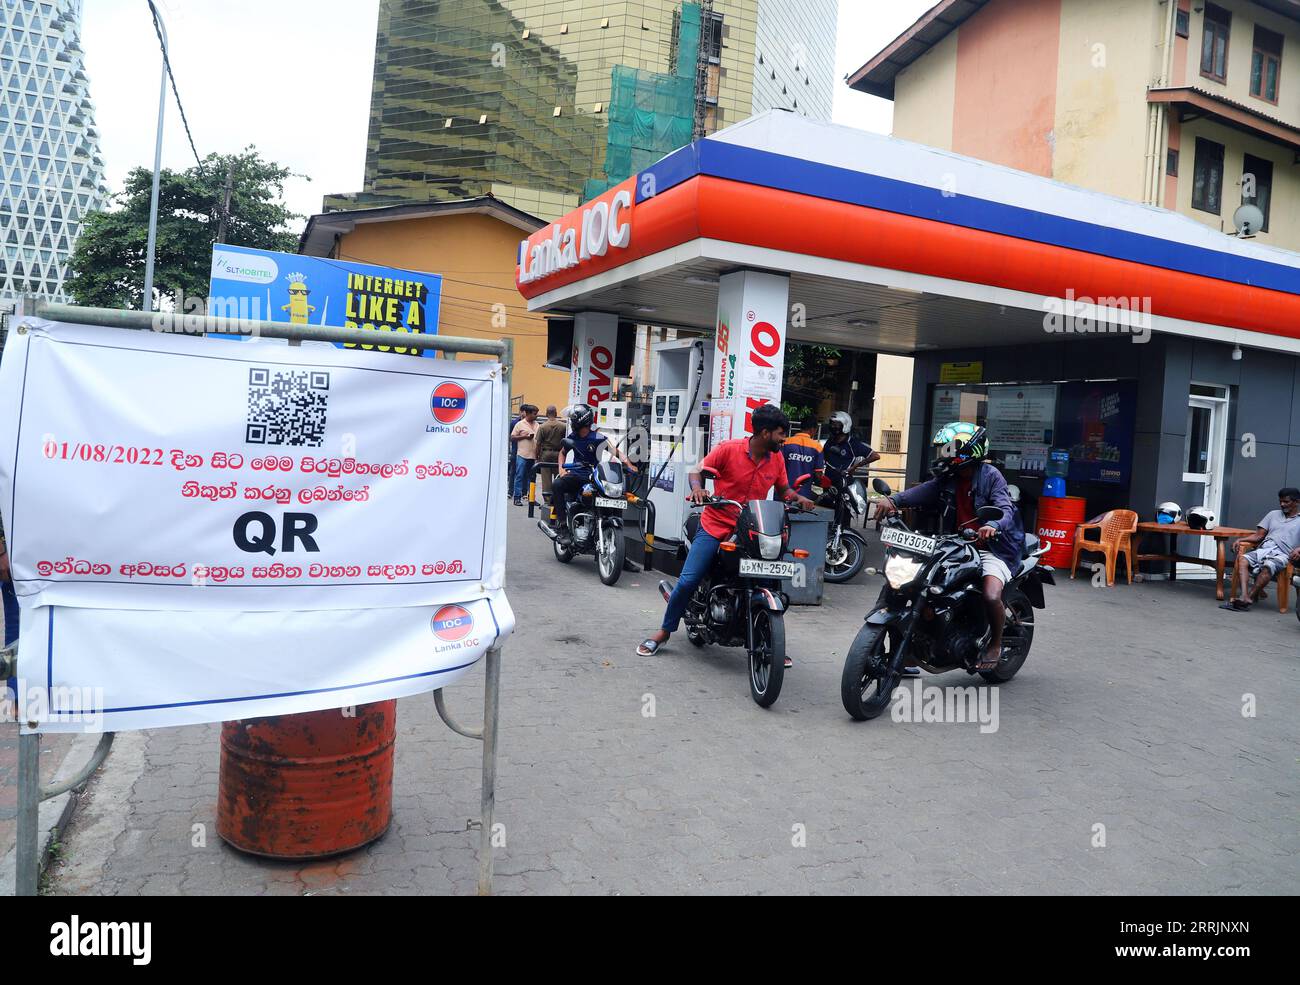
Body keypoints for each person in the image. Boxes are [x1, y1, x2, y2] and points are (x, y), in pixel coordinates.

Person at [637, 404, 816, 661]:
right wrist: (698, 489)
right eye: (780, 434)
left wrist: (798, 498)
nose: (783, 439)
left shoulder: (776, 458)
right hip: (716, 525)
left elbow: (784, 490)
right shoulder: (728, 449)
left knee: (768, 580)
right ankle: (664, 631)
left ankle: (769, 642)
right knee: (688, 580)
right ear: (765, 433)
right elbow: (696, 471)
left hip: (752, 530)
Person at [873, 422, 1024, 672]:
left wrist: (993, 525)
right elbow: (924, 491)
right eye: (942, 449)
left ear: (967, 452)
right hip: (959, 542)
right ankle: (910, 649)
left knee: (990, 594)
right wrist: (893, 500)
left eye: (948, 449)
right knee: (918, 581)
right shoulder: (948, 478)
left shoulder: (990, 476)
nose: (943, 453)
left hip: (995, 547)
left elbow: (1005, 508)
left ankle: (995, 644)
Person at [552, 404, 637, 543]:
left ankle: (618, 548)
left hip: (594, 476)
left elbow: (616, 452)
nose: (572, 422)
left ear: (580, 420)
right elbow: (562, 453)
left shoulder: (597, 438)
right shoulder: (572, 437)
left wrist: (629, 465)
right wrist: (561, 469)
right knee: (557, 484)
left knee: (616, 499)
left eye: (573, 419)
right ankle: (562, 527)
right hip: (577, 475)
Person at [1228, 487, 1300, 610]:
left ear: (1297, 502)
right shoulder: (1273, 514)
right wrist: (1241, 540)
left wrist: (1299, 549)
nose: (1282, 504)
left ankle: (1249, 597)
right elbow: (1259, 536)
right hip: (1264, 549)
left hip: (1283, 554)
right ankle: (1244, 595)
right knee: (1243, 559)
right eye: (1280, 501)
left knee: (1268, 565)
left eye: (1286, 502)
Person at [823, 410, 880, 486]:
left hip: (843, 482)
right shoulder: (830, 441)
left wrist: (854, 467)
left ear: (845, 425)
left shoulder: (853, 444)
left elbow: (875, 456)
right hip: (828, 481)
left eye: (836, 424)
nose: (832, 426)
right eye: (831, 423)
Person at [782, 418, 823, 499]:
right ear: (812, 430)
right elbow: (818, 475)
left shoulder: (786, 442)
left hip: (784, 492)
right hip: (804, 496)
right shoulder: (817, 447)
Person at [535, 405, 568, 503]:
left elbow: (538, 444)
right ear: (556, 413)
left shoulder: (542, 426)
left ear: (546, 413)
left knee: (546, 478)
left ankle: (547, 501)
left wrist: (537, 456)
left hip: (546, 453)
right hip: (559, 454)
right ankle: (557, 499)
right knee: (559, 476)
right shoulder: (563, 426)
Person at [509, 404, 540, 506]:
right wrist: (524, 437)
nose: (536, 416)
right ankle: (517, 497)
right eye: (534, 414)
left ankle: (531, 498)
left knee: (532, 477)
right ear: (527, 414)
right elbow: (512, 437)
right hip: (522, 454)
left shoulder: (537, 425)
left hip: (533, 455)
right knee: (519, 476)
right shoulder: (520, 424)